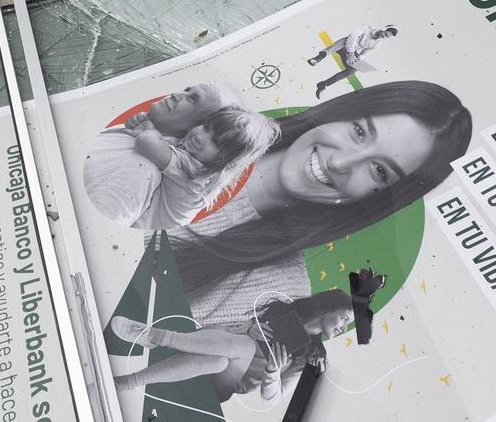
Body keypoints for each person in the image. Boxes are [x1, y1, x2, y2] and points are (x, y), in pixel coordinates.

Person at [164, 81, 472, 327]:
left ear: (376, 198)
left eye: (379, 170)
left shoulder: (277, 288)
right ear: (340, 111)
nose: (339, 161)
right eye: (359, 131)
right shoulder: (204, 116)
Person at [84, 83, 275, 230]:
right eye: (207, 127)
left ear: (224, 161)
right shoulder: (190, 160)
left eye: (216, 142)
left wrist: (148, 129)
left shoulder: (192, 172)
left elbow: (147, 143)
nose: (201, 137)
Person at [109, 290, 352, 403]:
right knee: (220, 359)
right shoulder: (284, 312)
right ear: (329, 307)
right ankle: (126, 382)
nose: (344, 328)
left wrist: (273, 372)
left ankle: (157, 337)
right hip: (210, 353)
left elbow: (273, 398)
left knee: (244, 348)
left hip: (228, 384)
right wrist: (246, 328)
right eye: (345, 319)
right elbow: (220, 329)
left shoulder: (312, 356)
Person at [307, 24, 398, 100]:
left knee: (353, 70)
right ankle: (317, 59)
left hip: (352, 53)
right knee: (343, 42)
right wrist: (350, 53)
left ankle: (323, 85)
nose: (383, 36)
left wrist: (358, 59)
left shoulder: (378, 44)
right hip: (345, 46)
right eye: (385, 33)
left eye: (386, 37)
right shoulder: (366, 28)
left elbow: (364, 53)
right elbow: (352, 37)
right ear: (384, 28)